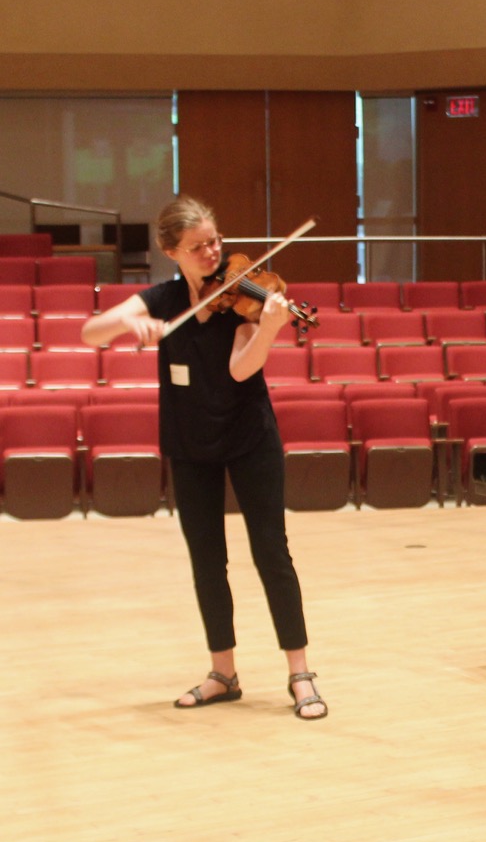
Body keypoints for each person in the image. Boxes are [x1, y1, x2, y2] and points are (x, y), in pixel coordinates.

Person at [82, 195, 327, 721]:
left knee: (271, 552)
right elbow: (90, 332)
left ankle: (300, 673)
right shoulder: (164, 299)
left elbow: (241, 369)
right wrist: (132, 326)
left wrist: (269, 328)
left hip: (249, 436)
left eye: (215, 241)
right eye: (198, 247)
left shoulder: (244, 297)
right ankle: (223, 673)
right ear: (171, 251)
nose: (212, 252)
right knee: (207, 560)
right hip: (190, 442)